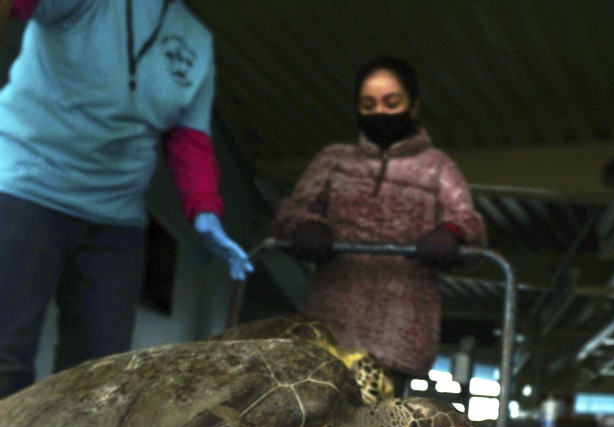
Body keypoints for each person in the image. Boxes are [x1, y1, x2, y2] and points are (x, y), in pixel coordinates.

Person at [0, 0, 253, 397]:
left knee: (98, 377)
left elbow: (190, 137)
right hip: (27, 187)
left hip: (117, 221)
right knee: (5, 352)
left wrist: (205, 209)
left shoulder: (198, 41)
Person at [273, 55, 486, 395]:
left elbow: (467, 219)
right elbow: (291, 212)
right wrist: (305, 225)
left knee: (381, 420)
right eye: (369, 105)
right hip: (329, 328)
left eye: (391, 102)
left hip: (400, 333)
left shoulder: (436, 167)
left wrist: (451, 233)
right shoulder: (334, 160)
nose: (380, 112)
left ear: (413, 107)